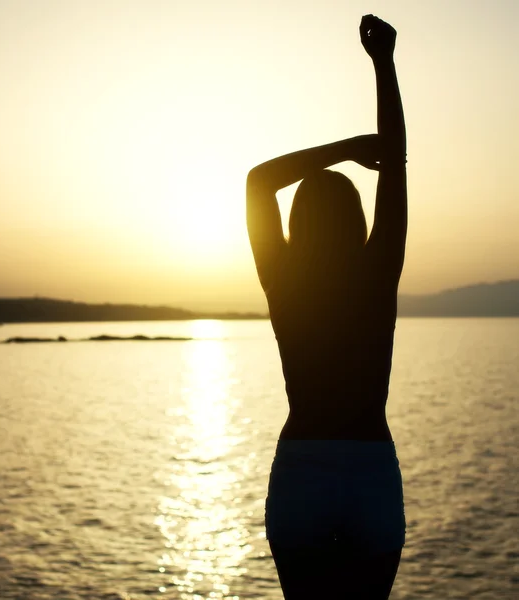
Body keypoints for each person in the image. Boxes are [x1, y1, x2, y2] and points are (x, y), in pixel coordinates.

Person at [246, 15, 407, 600]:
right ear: (357, 222)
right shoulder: (377, 271)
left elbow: (257, 182)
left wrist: (343, 150)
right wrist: (384, 63)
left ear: (297, 225)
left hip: (302, 472)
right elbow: (398, 160)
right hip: (369, 470)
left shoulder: (284, 280)